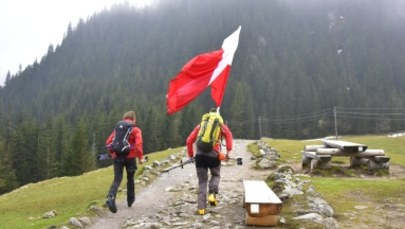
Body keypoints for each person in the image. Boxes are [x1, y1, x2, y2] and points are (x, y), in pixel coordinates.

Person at [186, 108, 233, 215]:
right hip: (213, 155)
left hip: (199, 155)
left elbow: (189, 140)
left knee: (202, 181)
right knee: (216, 175)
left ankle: (201, 208)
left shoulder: (201, 125)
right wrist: (228, 151)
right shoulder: (220, 125)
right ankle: (212, 194)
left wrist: (191, 155)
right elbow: (229, 135)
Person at [105, 110, 144, 213]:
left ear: (124, 118)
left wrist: (112, 153)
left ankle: (111, 197)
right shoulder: (135, 129)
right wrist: (140, 158)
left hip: (117, 157)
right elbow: (139, 144)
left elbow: (108, 142)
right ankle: (130, 200)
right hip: (130, 158)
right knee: (130, 178)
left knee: (117, 179)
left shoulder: (118, 129)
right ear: (134, 119)